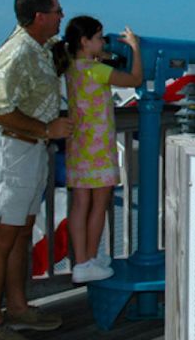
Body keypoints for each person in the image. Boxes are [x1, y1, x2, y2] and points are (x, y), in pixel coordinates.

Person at [0, 0, 73, 340]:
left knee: (20, 233)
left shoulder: (40, 49)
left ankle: (16, 307)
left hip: (30, 151)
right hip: (8, 151)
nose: (62, 15)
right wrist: (47, 129)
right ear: (40, 16)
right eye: (58, 10)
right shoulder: (16, 53)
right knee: (0, 239)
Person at [57, 16, 143, 283]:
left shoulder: (73, 67)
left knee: (81, 204)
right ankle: (91, 258)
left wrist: (102, 52)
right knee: (99, 204)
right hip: (100, 147)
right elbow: (135, 78)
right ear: (85, 41)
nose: (103, 41)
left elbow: (98, 60)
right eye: (98, 37)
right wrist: (136, 47)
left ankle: (81, 262)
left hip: (78, 145)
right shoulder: (98, 71)